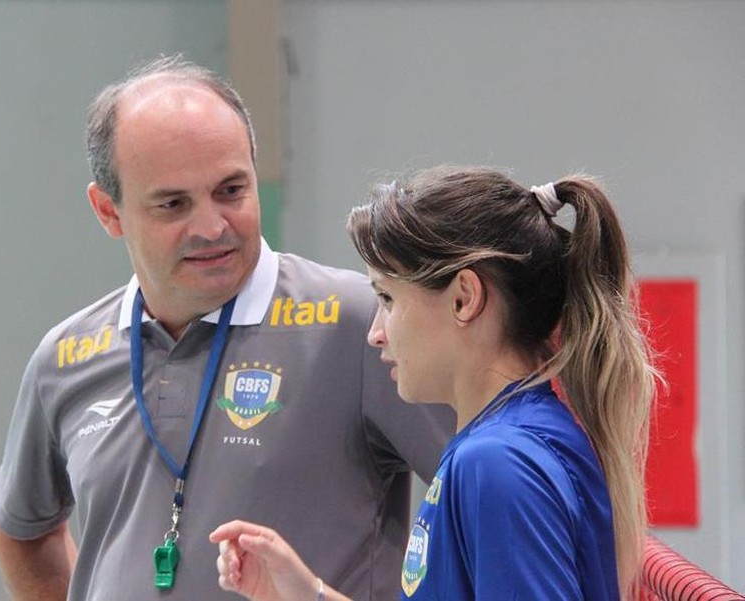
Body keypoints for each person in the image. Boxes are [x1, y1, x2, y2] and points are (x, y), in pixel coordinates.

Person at [0, 56, 455, 600]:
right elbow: (23, 530)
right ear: (108, 212)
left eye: (231, 191)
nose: (211, 227)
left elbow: (496, 505)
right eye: (173, 204)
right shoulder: (65, 357)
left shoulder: (360, 323)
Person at [211, 166, 657, 600]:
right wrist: (309, 594)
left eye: (388, 298)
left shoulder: (498, 463)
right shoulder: (498, 445)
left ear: (464, 298)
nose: (375, 332)